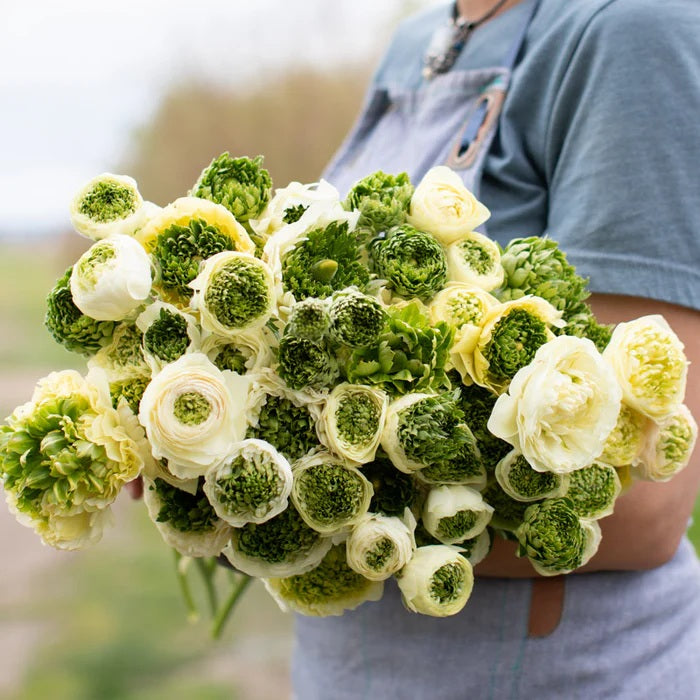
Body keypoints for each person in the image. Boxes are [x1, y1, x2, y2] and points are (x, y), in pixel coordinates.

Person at [291, 0, 700, 697]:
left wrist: (280, 511)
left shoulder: (631, 30)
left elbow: (643, 510)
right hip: (352, 668)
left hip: (554, 675)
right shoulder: (416, 41)